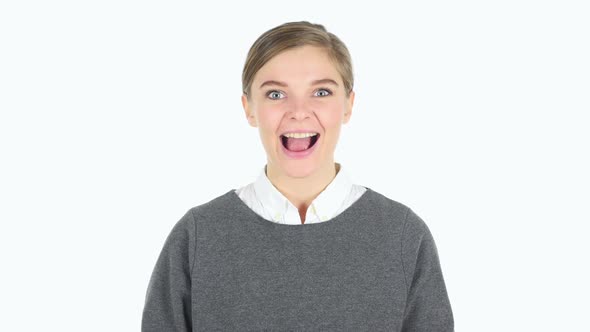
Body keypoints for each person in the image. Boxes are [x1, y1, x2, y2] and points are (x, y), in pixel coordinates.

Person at [142, 21, 454, 331]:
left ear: (348, 105)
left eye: (321, 91)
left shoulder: (403, 236)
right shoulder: (198, 237)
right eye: (276, 94)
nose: (299, 111)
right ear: (249, 108)